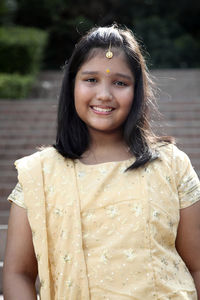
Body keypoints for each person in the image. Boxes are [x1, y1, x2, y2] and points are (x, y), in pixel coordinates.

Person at [3, 24, 200, 300]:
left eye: (120, 82)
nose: (104, 94)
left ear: (137, 91)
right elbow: (17, 274)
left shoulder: (171, 165)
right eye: (91, 79)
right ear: (72, 84)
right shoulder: (39, 174)